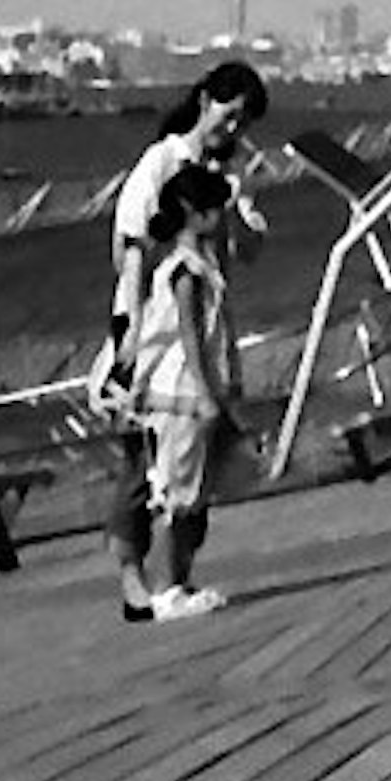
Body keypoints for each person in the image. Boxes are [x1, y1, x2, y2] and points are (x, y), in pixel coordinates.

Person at [104, 62, 268, 621]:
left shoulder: (231, 172)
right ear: (205, 100)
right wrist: (126, 343)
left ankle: (178, 578)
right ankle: (136, 579)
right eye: (230, 111)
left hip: (209, 329)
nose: (234, 126)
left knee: (198, 469)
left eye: (245, 119)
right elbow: (131, 251)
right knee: (144, 469)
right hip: (155, 338)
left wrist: (238, 202)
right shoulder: (163, 163)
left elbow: (250, 248)